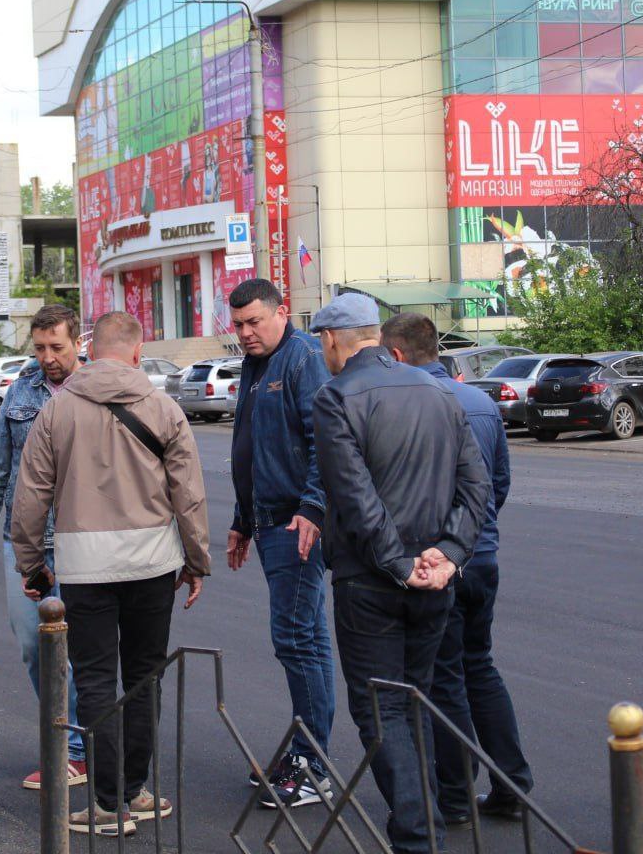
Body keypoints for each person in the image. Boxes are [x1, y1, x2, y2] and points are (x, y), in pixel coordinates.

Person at [11, 311, 209, 837]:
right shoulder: (165, 409)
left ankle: (105, 803)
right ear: (138, 352)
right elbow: (188, 495)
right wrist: (197, 562)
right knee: (145, 674)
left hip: (84, 565)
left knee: (96, 678)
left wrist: (31, 564)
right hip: (153, 564)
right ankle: (138, 790)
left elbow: (31, 496)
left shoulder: (57, 412)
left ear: (90, 349)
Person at [311, 293, 490, 854]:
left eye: (321, 342)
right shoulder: (438, 388)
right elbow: (475, 487)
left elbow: (354, 495)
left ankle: (419, 836)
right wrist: (449, 554)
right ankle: (427, 822)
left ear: (333, 341)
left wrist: (400, 563)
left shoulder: (337, 397)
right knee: (417, 698)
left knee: (383, 709)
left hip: (373, 578)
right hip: (432, 575)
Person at [380, 312, 533, 825]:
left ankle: (454, 795)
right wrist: (477, 534)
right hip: (482, 556)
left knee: (443, 678)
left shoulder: (412, 404)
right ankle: (512, 784)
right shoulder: (481, 403)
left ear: (397, 355)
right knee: (480, 667)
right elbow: (498, 484)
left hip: (439, 559)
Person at [0, 304, 87, 790]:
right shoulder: (21, 391)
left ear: (78, 343)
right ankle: (72, 740)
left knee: (83, 649)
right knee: (36, 646)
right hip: (26, 542)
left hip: (81, 539)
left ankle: (76, 749)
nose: (48, 357)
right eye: (39, 348)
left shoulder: (94, 390)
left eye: (57, 347)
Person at [225, 277, 335, 807]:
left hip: (296, 525)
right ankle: (307, 753)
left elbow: (324, 443)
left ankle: (313, 766)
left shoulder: (301, 358)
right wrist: (243, 520)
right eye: (238, 324)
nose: (245, 332)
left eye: (254, 322)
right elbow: (255, 447)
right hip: (268, 521)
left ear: (281, 312)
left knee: (297, 640)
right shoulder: (257, 364)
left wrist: (312, 507)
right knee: (306, 639)